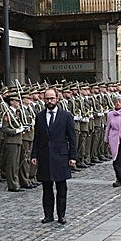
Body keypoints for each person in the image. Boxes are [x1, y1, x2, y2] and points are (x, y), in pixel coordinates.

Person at [31, 87, 77, 225]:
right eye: (47, 99)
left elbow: (72, 138)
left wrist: (72, 156)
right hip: (45, 156)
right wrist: (34, 154)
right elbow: (37, 137)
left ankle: (61, 215)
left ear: (57, 99)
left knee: (61, 187)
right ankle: (48, 215)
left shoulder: (66, 116)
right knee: (46, 188)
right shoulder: (39, 116)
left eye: (52, 98)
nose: (49, 101)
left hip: (61, 156)